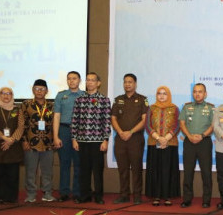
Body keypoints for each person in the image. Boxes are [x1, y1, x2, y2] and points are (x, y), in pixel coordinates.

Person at [71, 72, 112, 204]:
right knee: (84, 170)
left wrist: (105, 139)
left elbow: (107, 121)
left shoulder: (104, 100)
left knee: (97, 171)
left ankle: (99, 196)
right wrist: (74, 138)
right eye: (88, 80)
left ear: (98, 83)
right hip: (82, 141)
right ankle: (85, 196)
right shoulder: (79, 99)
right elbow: (75, 120)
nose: (89, 82)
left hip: (98, 142)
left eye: (92, 80)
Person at [111, 73, 148, 204]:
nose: (127, 84)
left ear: (135, 84)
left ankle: (137, 196)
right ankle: (124, 195)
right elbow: (113, 118)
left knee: (137, 169)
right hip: (120, 138)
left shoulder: (143, 100)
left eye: (130, 82)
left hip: (135, 139)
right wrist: (121, 132)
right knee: (123, 169)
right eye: (125, 82)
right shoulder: (118, 100)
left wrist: (131, 132)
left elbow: (144, 120)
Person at [179, 83, 214, 208]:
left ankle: (206, 200)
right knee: (188, 172)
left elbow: (213, 126)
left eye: (200, 91)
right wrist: (189, 136)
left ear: (205, 94)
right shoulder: (186, 107)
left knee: (206, 173)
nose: (197, 94)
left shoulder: (211, 108)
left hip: (204, 142)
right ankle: (187, 199)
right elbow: (182, 123)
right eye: (195, 91)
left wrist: (202, 136)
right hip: (189, 142)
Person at [0, 87, 24, 204]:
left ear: (12, 96)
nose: (6, 96)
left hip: (13, 146)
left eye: (9, 93)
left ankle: (11, 197)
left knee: (12, 174)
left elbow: (20, 127)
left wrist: (11, 140)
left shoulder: (17, 110)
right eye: (3, 93)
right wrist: (5, 138)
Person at [21, 79, 55, 203]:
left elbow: (55, 124)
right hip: (31, 142)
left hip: (48, 143)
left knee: (47, 171)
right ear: (33, 90)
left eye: (42, 89)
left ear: (47, 91)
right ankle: (31, 194)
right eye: (37, 89)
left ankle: (47, 193)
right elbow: (22, 124)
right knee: (30, 171)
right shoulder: (26, 104)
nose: (39, 91)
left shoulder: (51, 105)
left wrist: (55, 139)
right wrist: (24, 140)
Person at [145, 86, 180, 206]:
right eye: (159, 93)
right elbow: (147, 125)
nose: (162, 96)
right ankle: (156, 195)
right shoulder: (151, 108)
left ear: (168, 95)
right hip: (154, 143)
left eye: (164, 93)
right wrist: (158, 138)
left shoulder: (175, 108)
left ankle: (167, 195)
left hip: (170, 143)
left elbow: (177, 125)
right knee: (155, 169)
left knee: (168, 170)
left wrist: (166, 138)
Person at [53, 71, 84, 202]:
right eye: (69, 79)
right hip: (64, 130)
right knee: (64, 163)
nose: (71, 81)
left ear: (79, 80)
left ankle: (77, 193)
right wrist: (55, 136)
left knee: (79, 164)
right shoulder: (61, 95)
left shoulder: (85, 95)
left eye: (74, 78)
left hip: (81, 132)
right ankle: (64, 192)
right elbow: (56, 116)